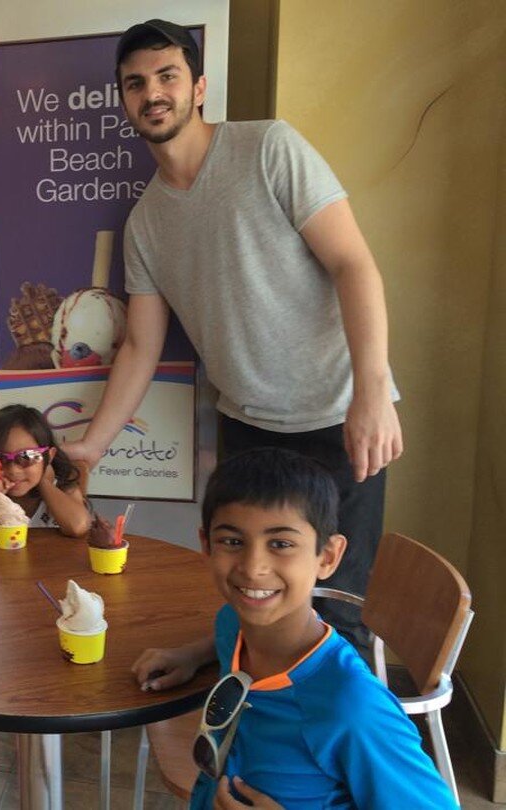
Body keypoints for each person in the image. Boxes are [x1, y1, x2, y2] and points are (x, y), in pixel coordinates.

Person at [63, 19, 403, 652]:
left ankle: (323, 752)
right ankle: (245, 735)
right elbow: (140, 345)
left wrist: (373, 393)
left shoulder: (268, 148)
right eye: (136, 83)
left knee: (334, 617)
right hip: (246, 428)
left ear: (198, 87)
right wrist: (91, 447)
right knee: (250, 598)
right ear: (124, 100)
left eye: (167, 76)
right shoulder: (144, 222)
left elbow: (355, 265)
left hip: (337, 421)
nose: (152, 93)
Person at [131, 448, 456, 809]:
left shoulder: (350, 707)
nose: (253, 568)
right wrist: (192, 654)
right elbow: (228, 635)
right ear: (206, 545)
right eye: (233, 541)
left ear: (327, 557)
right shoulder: (231, 625)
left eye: (281, 544)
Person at [0, 404, 91, 537]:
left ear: (49, 456)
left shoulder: (62, 484)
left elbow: (78, 526)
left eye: (27, 456)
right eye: (0, 458)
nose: (13, 470)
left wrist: (43, 482)